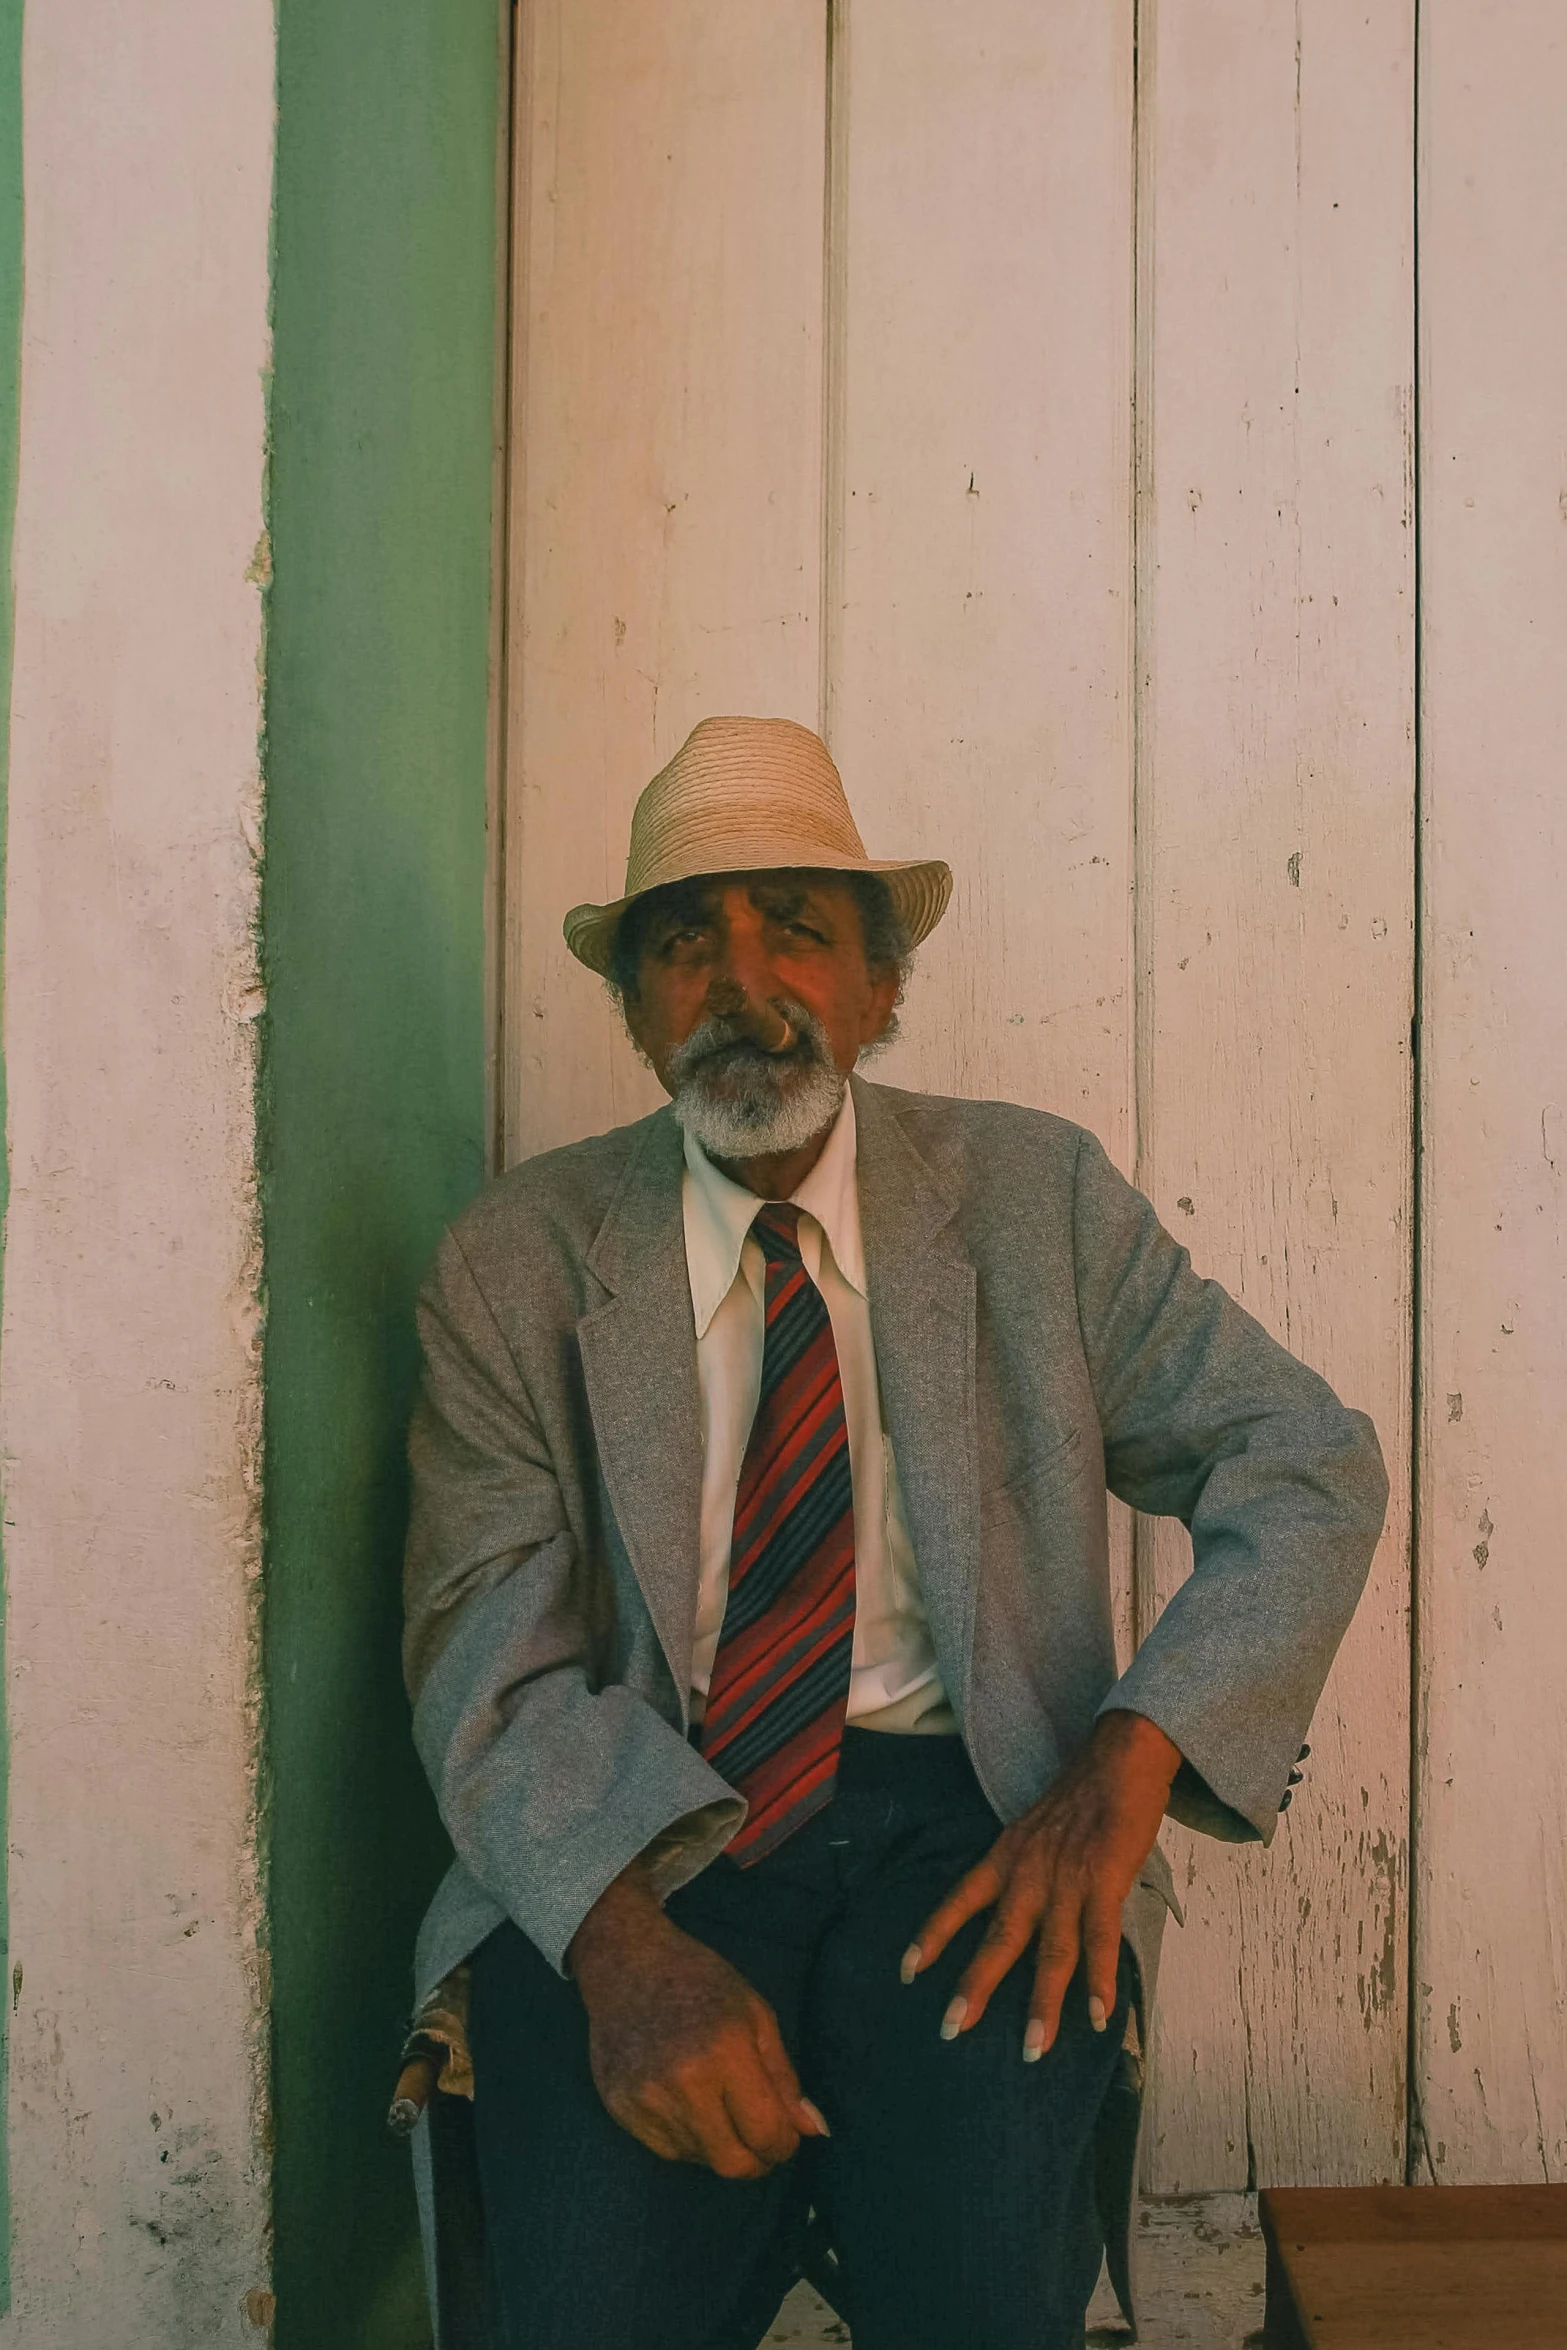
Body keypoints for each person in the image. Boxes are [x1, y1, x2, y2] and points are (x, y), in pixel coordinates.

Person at [402, 715, 1388, 2350]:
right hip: (642, 1813)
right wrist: (615, 1943)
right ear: (637, 1009)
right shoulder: (516, 1261)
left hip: (977, 1816)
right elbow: (482, 1653)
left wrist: (1128, 1760)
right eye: (681, 940)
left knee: (981, 2289)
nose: (740, 979)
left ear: (877, 986)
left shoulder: (1031, 1199)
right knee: (589, 2299)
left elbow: (1304, 1460)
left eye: (794, 923)